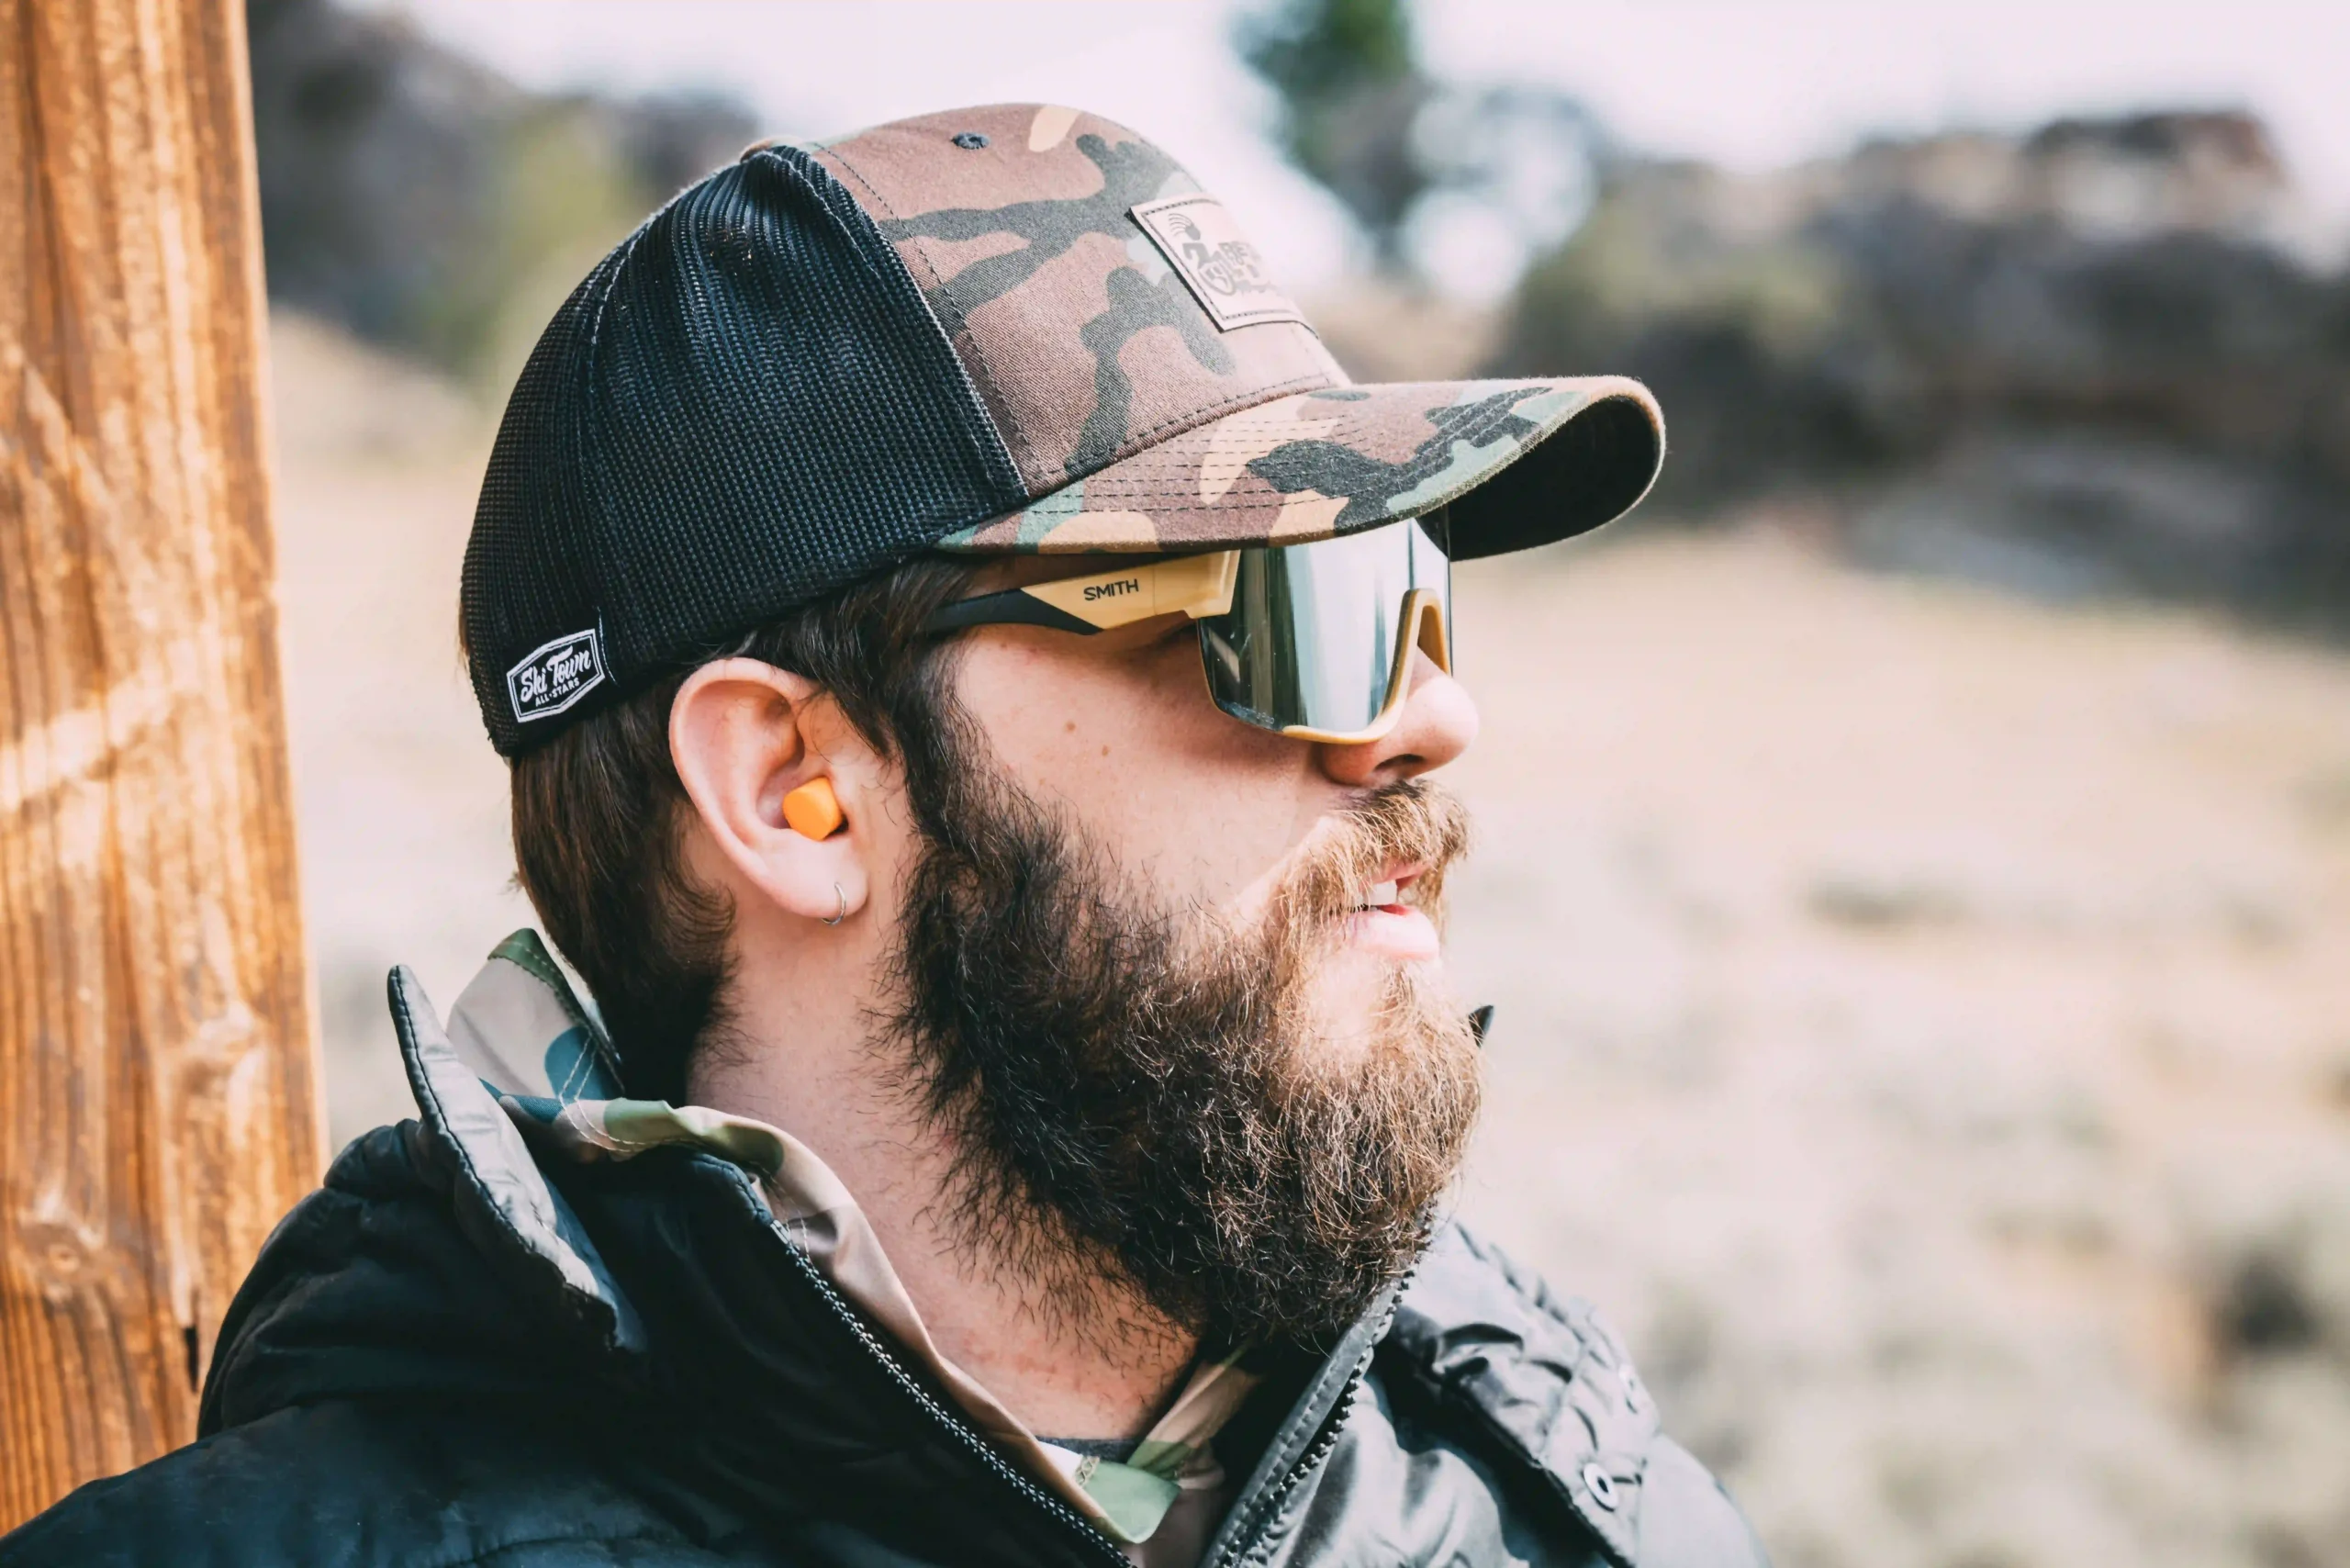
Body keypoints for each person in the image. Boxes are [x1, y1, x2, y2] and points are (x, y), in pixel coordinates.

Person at [3, 105, 1765, 1568]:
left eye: (1411, 589)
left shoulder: (1585, 1505)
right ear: (793, 785)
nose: (1429, 720)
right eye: (1289, 610)